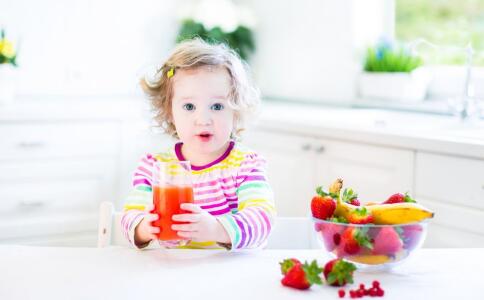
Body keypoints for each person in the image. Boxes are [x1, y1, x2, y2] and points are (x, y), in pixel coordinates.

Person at [121, 38, 275, 250]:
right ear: (169, 111)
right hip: (172, 272)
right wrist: (143, 227)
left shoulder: (245, 165)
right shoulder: (155, 167)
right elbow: (130, 215)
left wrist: (216, 229)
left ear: (236, 110)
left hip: (229, 273)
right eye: (189, 106)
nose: (203, 119)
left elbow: (262, 219)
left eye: (218, 106)